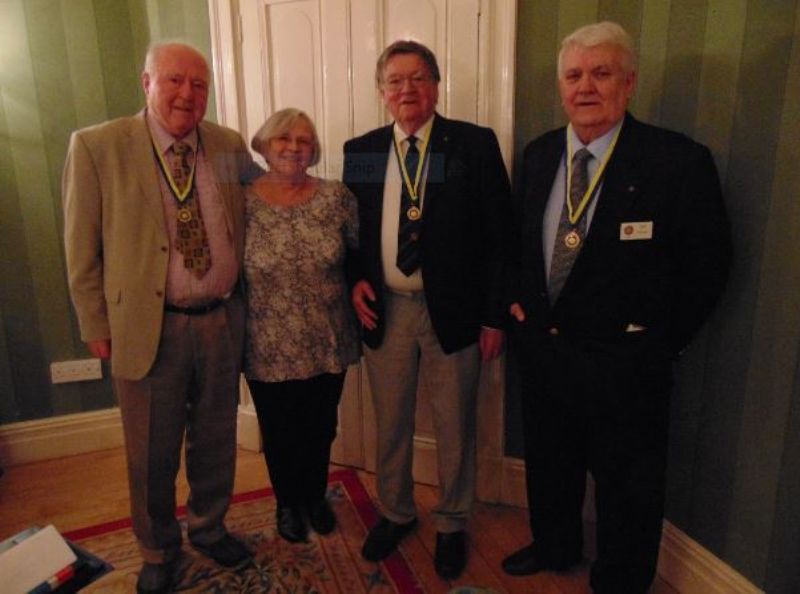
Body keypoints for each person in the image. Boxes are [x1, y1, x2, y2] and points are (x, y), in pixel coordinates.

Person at [502, 22, 732, 594]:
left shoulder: (676, 161)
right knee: (551, 464)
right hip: (546, 353)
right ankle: (555, 545)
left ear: (628, 84)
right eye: (574, 75)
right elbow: (519, 245)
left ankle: (621, 580)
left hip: (628, 365)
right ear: (561, 86)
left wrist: (660, 341)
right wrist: (519, 309)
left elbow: (710, 265)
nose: (585, 87)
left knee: (628, 484)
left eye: (600, 73)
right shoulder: (537, 154)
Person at [63, 42, 257, 594]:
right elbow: (81, 248)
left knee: (217, 435)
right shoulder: (98, 146)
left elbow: (265, 200)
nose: (187, 94)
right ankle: (156, 546)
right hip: (147, 325)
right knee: (151, 448)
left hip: (222, 318)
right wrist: (94, 323)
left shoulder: (226, 145)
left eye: (199, 85)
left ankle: (210, 526)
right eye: (174, 80)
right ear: (146, 81)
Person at [343, 40, 512, 580]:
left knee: (454, 423)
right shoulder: (363, 150)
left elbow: (499, 238)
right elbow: (350, 234)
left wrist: (493, 317)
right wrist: (355, 282)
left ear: (436, 86)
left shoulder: (473, 144)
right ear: (382, 91)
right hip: (388, 312)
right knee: (389, 421)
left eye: (418, 78)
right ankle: (395, 512)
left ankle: (452, 522)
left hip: (455, 314)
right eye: (395, 80)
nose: (406, 89)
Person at [242, 108, 360, 543]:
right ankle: (287, 503)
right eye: (283, 139)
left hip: (327, 337)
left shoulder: (337, 197)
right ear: (265, 146)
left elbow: (357, 257)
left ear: (314, 150)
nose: (294, 148)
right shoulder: (241, 200)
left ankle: (314, 498)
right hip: (265, 340)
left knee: (320, 426)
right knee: (279, 430)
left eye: (304, 141)